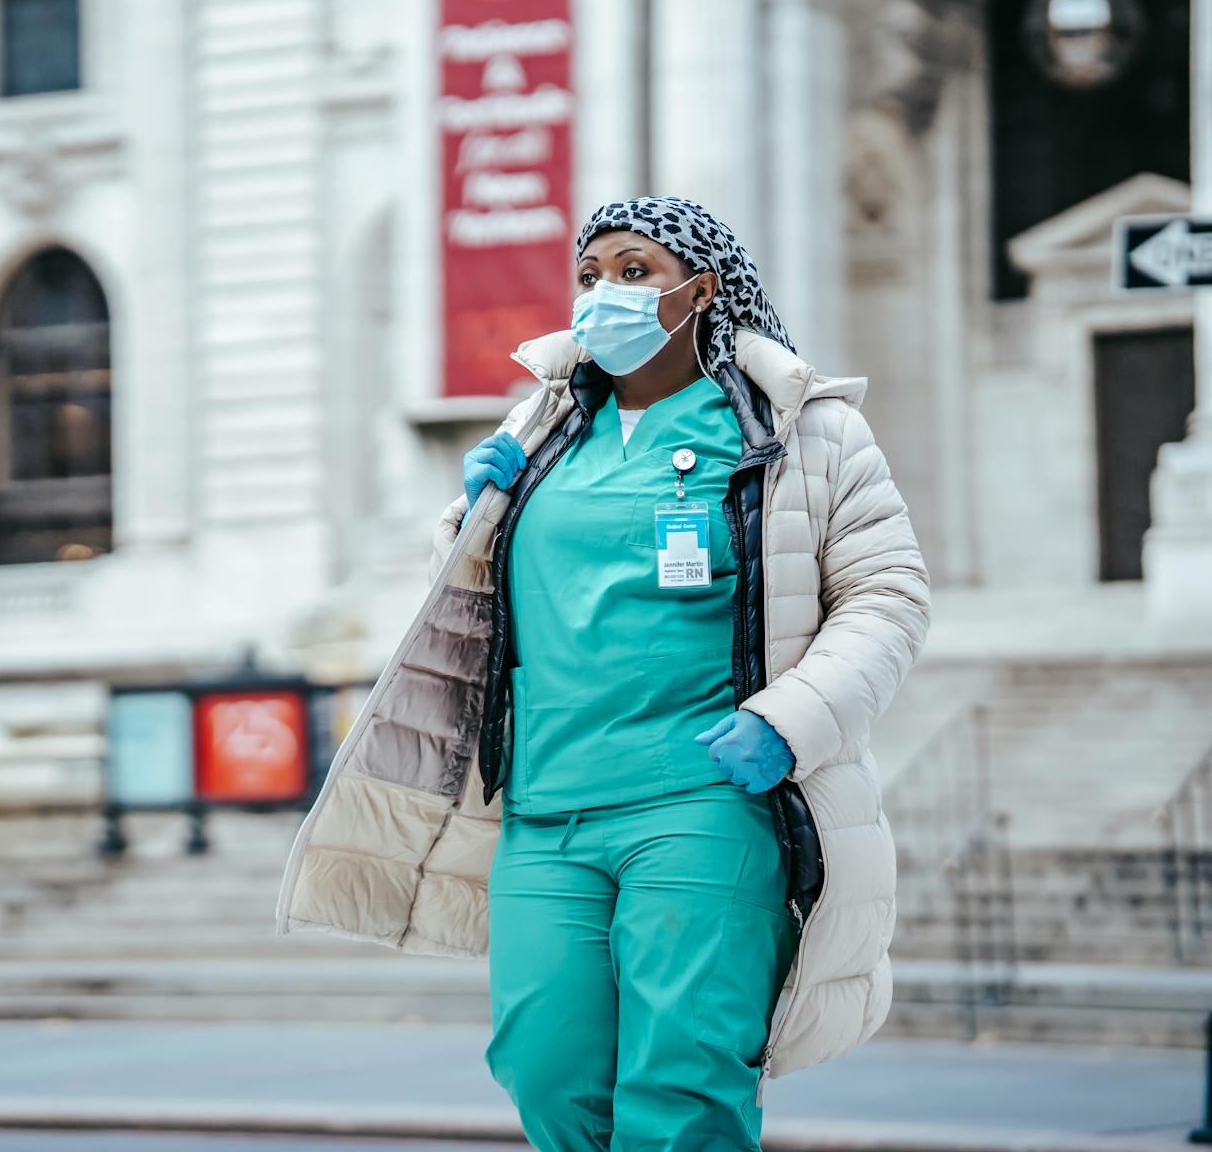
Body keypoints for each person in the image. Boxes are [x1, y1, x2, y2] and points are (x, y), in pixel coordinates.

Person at [271, 196, 930, 1152]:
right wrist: (464, 523)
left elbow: (888, 596)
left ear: (700, 292)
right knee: (545, 1063)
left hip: (702, 801)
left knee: (682, 1079)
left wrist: (791, 720)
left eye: (633, 272)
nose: (602, 295)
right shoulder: (542, 429)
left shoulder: (806, 431)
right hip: (546, 809)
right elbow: (478, 608)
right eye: (589, 275)